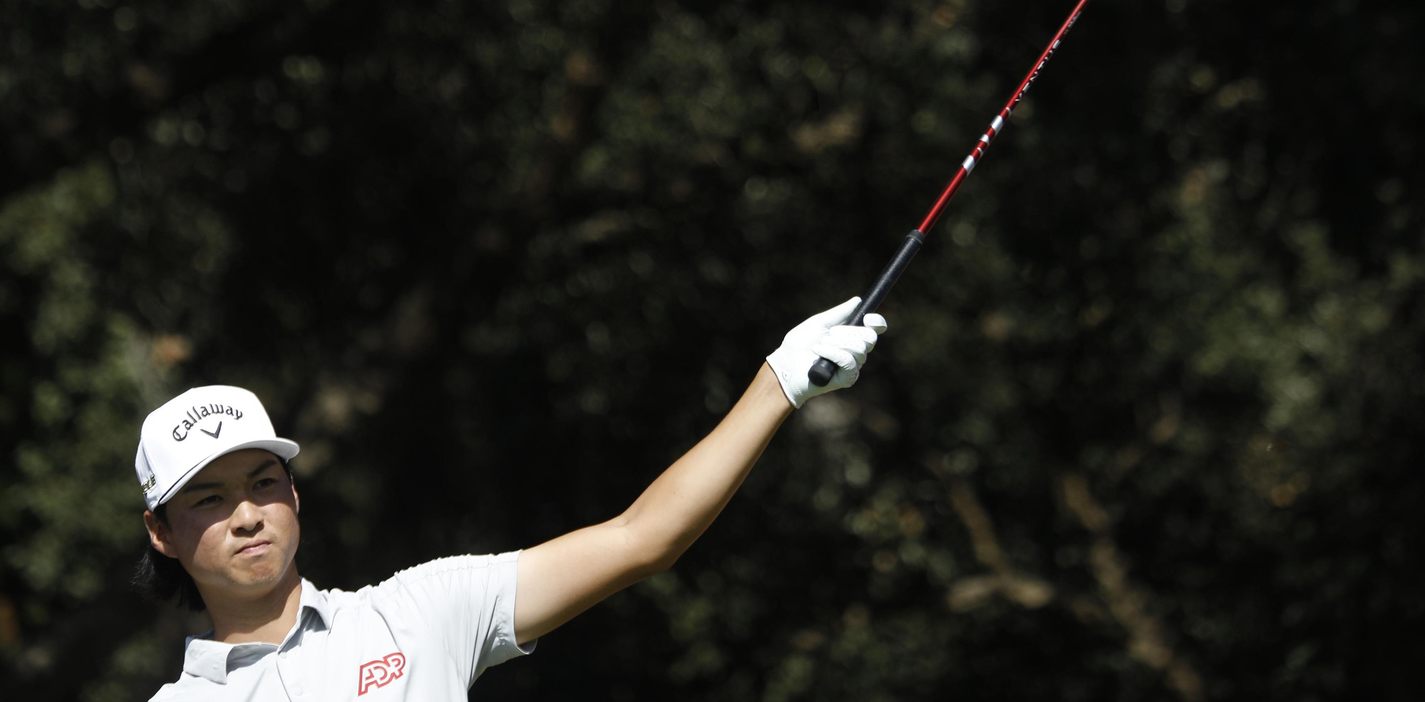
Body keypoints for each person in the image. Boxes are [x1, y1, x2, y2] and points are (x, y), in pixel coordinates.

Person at [134, 297, 885, 700]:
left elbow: (640, 538)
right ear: (161, 533)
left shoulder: (419, 613)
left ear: (294, 493)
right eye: (208, 499)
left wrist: (776, 386)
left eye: (263, 484)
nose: (246, 515)